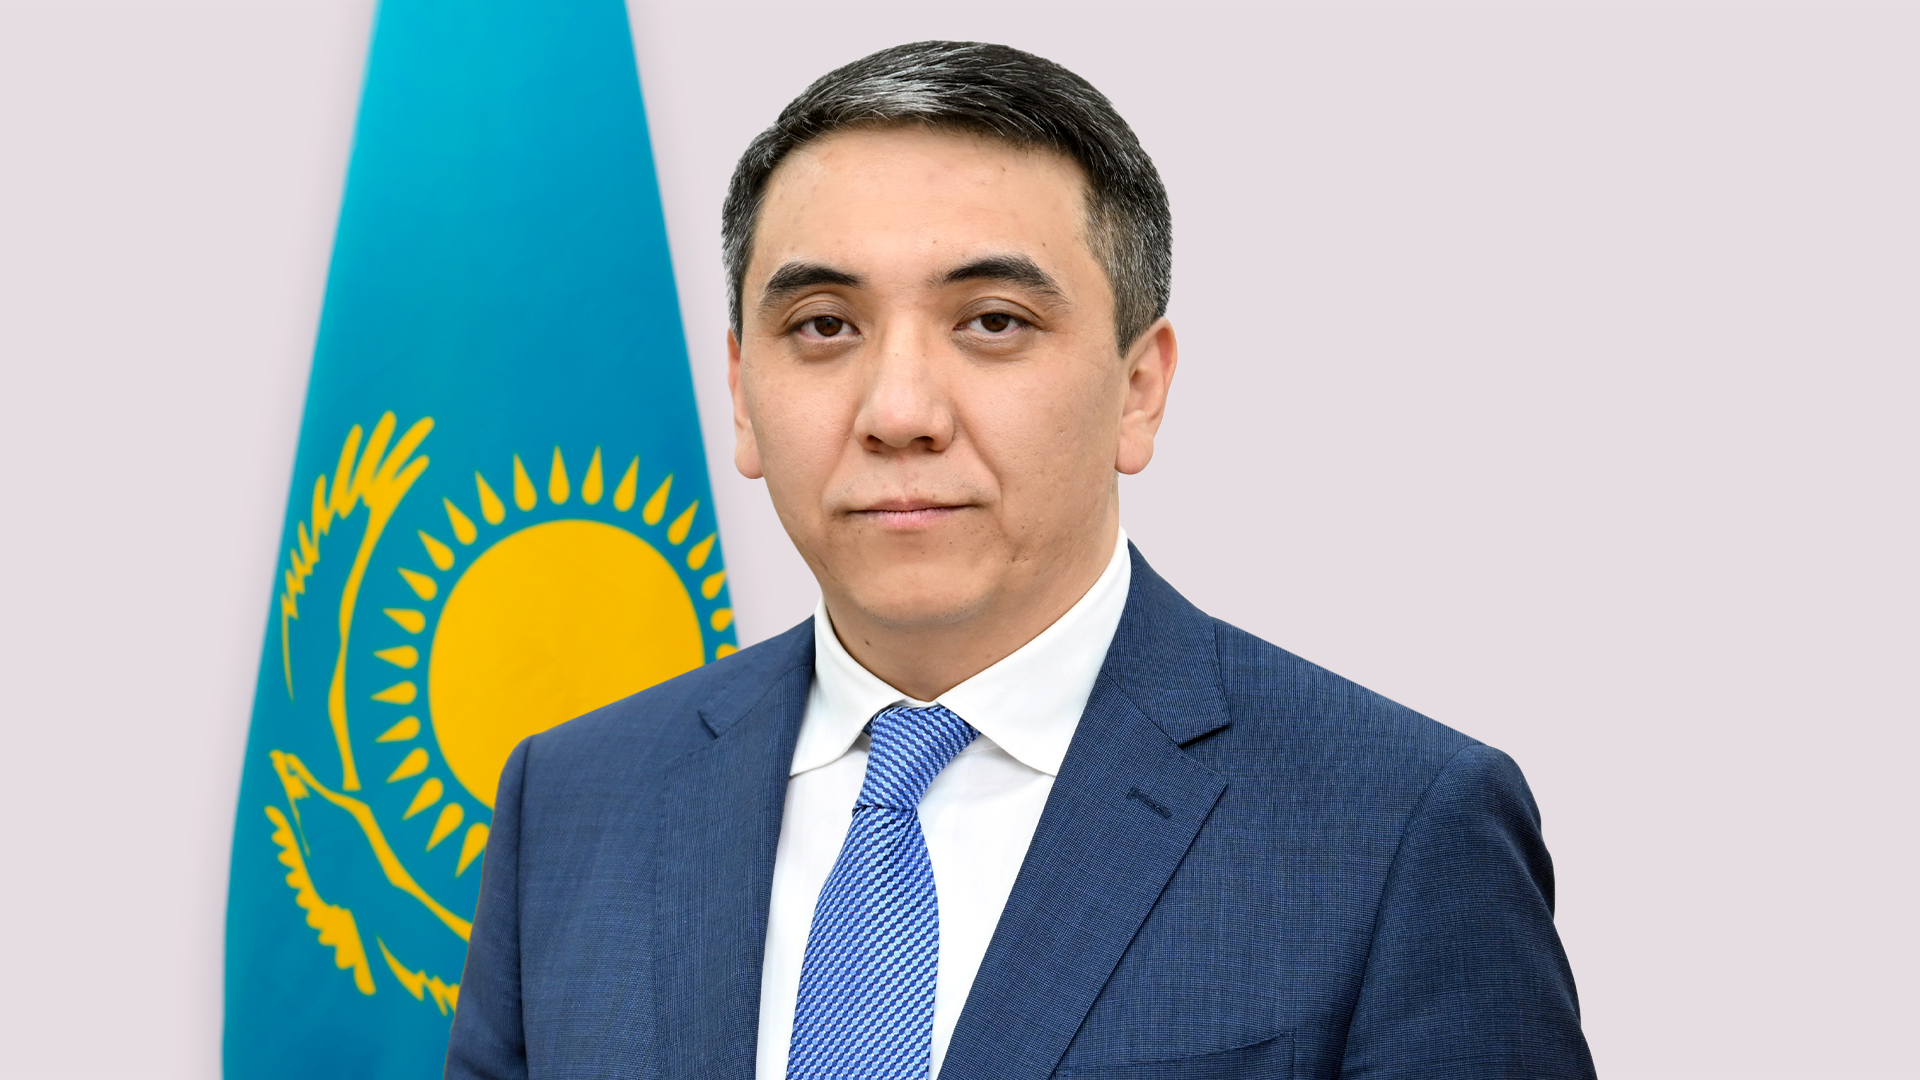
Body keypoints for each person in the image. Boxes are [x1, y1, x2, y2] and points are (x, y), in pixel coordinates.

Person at [447, 40, 1595, 1080]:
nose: (900, 412)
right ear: (742, 396)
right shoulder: (574, 802)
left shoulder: (1396, 825)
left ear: (1138, 389)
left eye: (993, 321)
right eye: (824, 326)